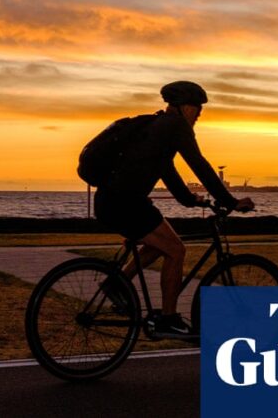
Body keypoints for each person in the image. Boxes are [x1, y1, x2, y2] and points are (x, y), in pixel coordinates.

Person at [93, 80, 255, 339]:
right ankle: (167, 319)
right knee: (177, 250)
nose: (200, 113)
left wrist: (191, 200)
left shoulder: (158, 127)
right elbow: (199, 165)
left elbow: (167, 172)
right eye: (197, 107)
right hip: (125, 202)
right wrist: (230, 202)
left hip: (115, 201)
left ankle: (116, 284)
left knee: (161, 244)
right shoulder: (176, 126)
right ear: (182, 107)